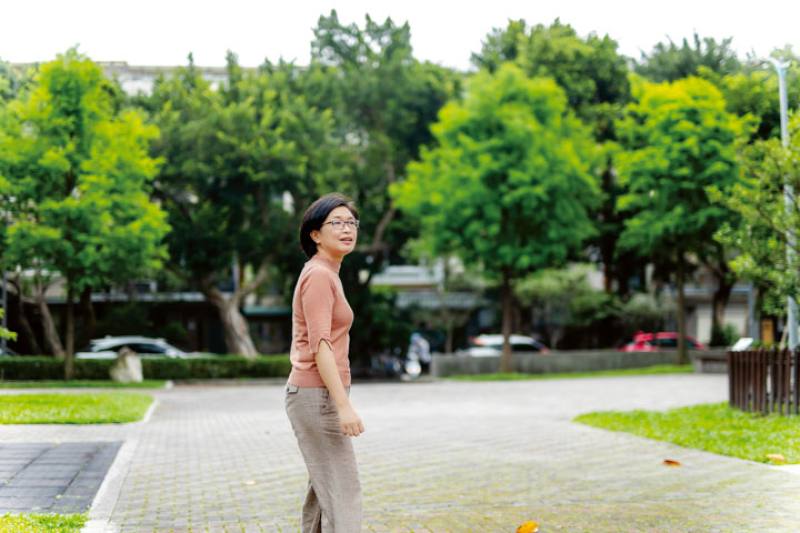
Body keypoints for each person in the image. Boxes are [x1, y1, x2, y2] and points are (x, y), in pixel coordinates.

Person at [285, 193, 364, 532]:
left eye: (351, 222)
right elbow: (321, 346)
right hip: (316, 397)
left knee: (323, 495)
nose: (346, 229)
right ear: (315, 234)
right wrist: (343, 406)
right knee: (344, 494)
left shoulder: (328, 273)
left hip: (317, 396)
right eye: (336, 223)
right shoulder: (319, 275)